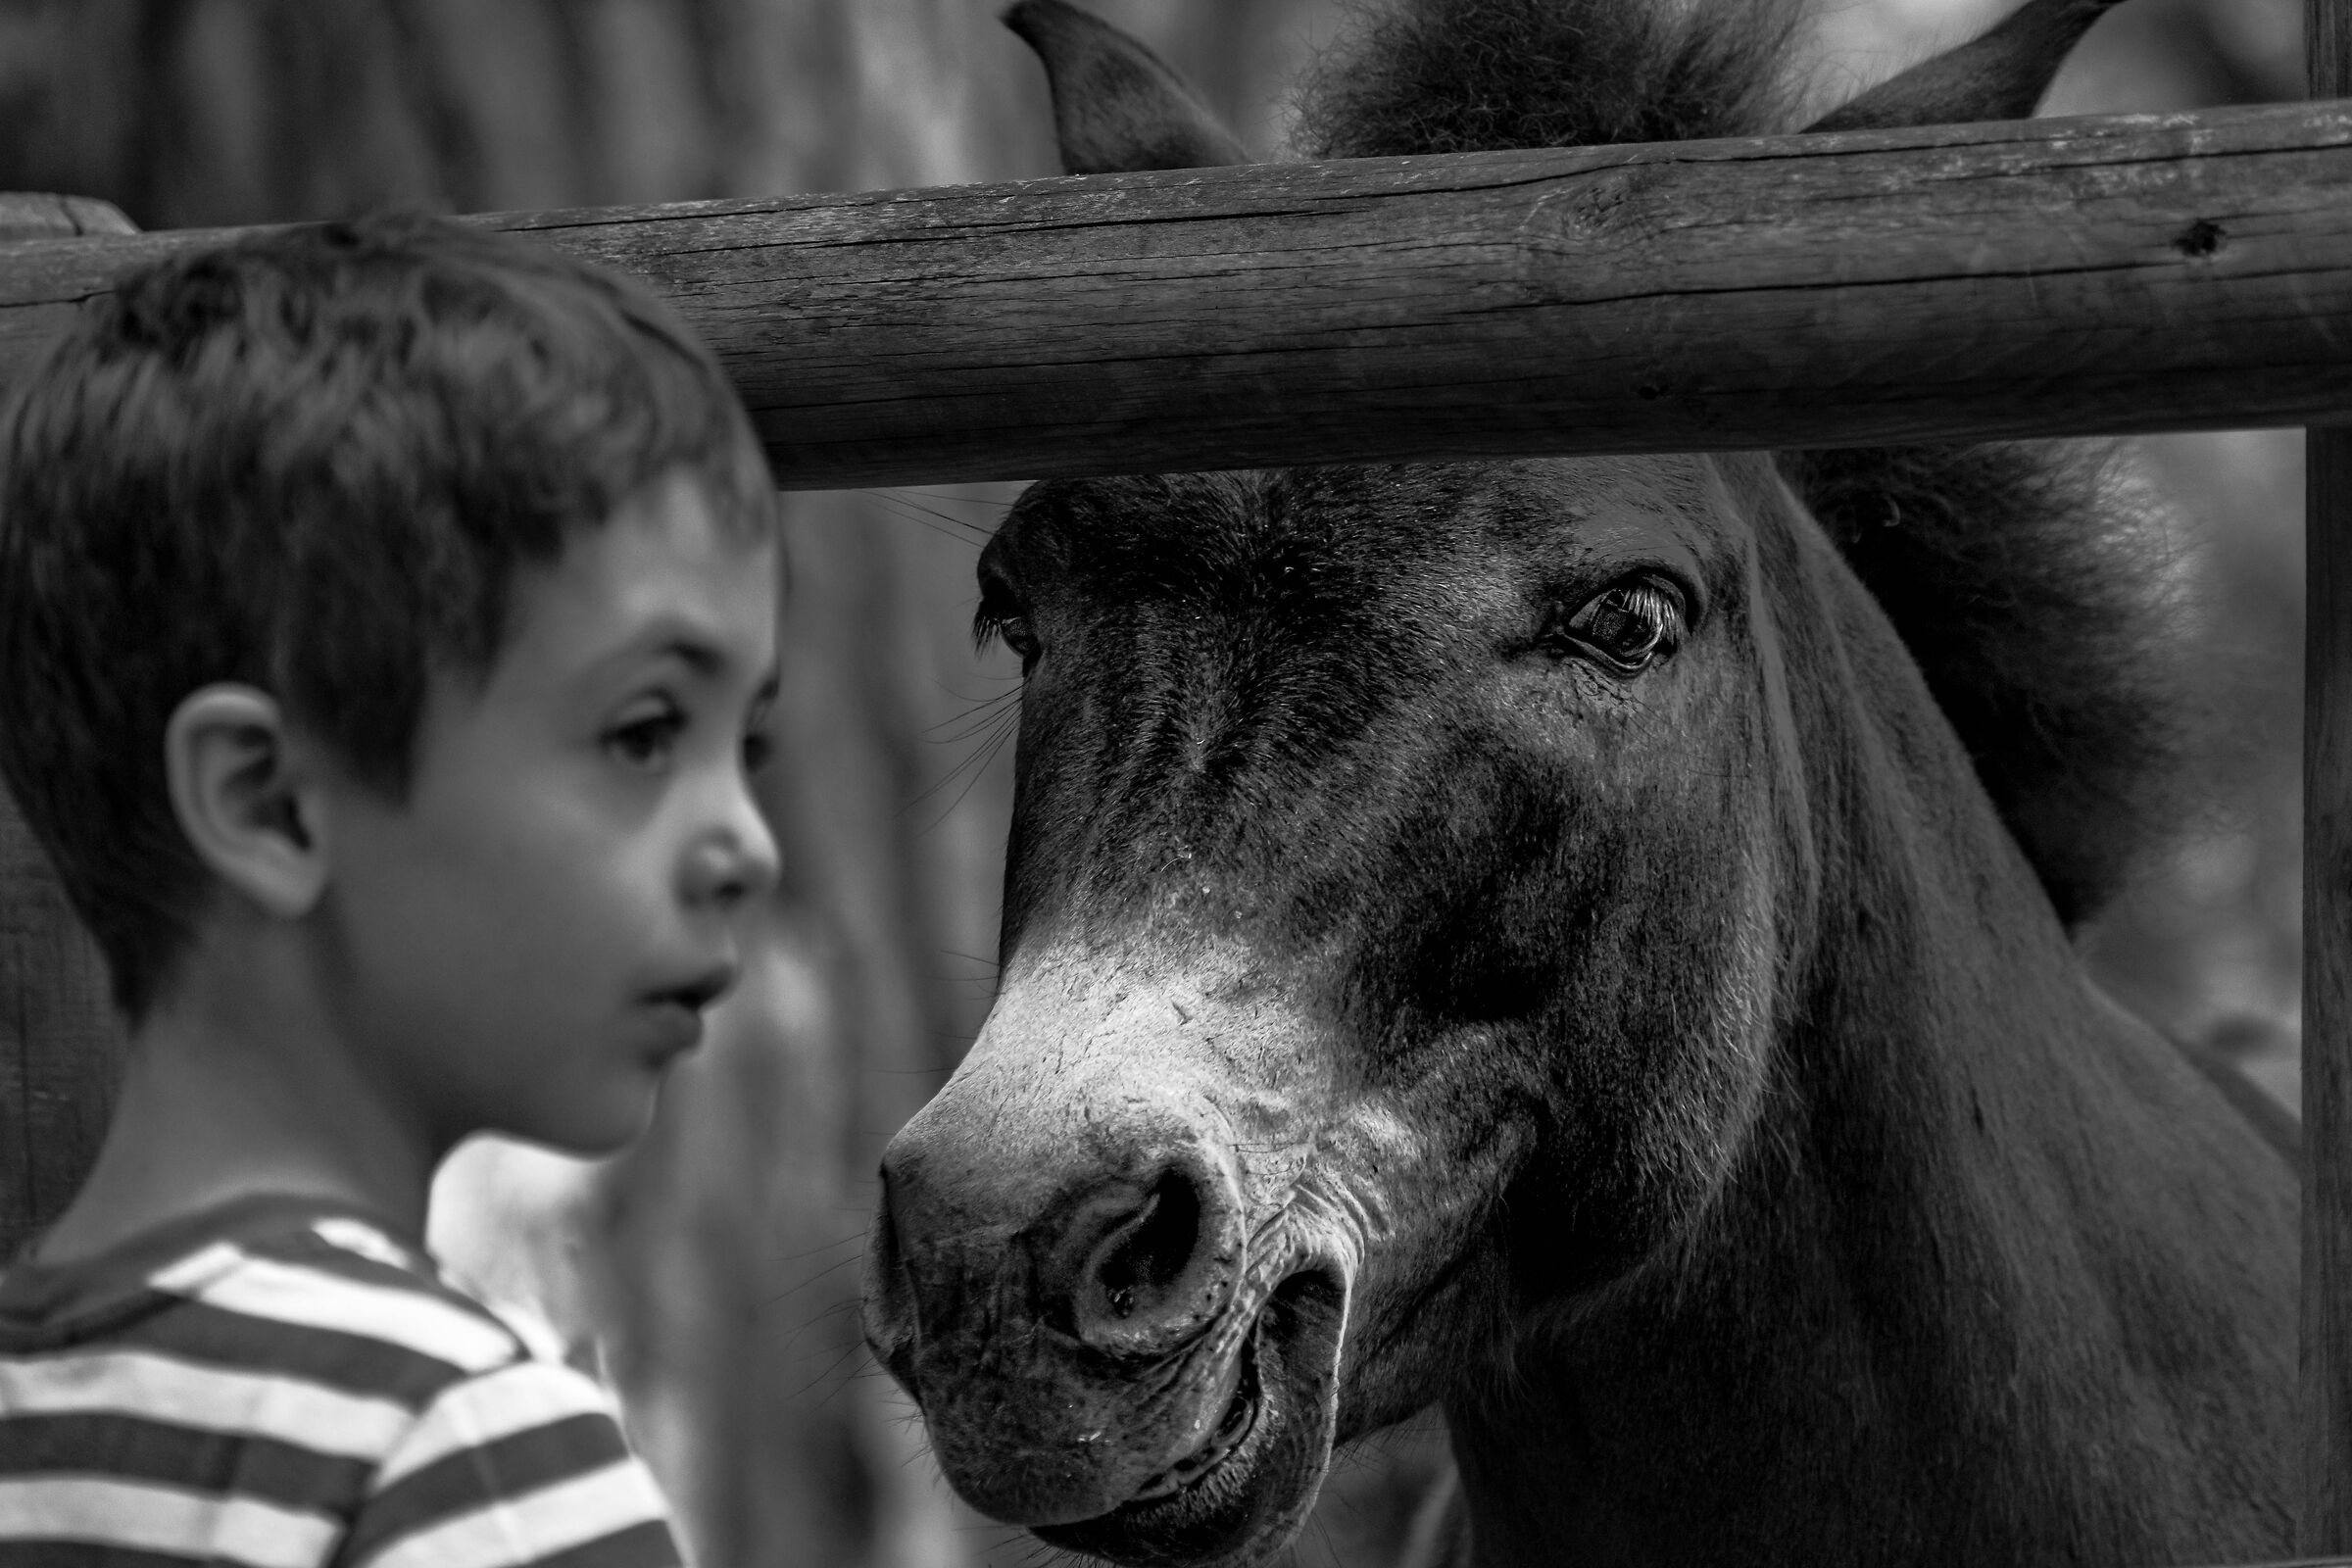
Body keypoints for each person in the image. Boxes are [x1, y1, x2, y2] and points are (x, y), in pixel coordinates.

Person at [0, 213, 782, 1566]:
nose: (749, 847)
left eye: (746, 746)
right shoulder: (465, 1454)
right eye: (646, 732)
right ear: (268, 802)